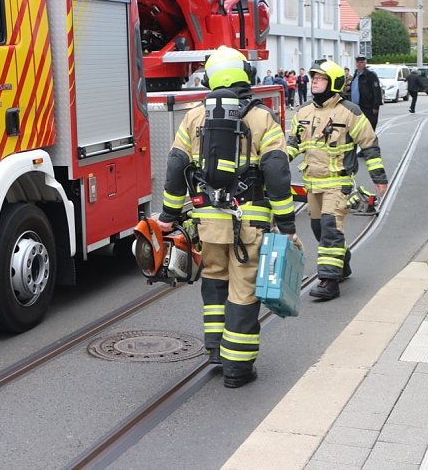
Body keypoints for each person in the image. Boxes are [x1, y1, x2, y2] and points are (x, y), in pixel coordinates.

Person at [158, 46, 296, 388]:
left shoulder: (194, 117)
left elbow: (176, 165)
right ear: (245, 75)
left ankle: (215, 350)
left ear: (209, 78)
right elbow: (277, 170)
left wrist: (168, 215)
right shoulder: (262, 118)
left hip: (207, 221)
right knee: (244, 289)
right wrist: (288, 223)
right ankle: (237, 368)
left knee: (215, 280)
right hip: (248, 223)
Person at [287, 59, 388, 301]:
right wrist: (276, 163)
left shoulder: (350, 111)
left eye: (321, 78)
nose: (315, 82)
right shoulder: (303, 112)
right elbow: (293, 143)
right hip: (312, 183)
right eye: (314, 78)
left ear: (333, 82)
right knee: (318, 229)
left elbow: (369, 144)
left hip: (337, 183)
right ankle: (341, 262)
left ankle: (328, 281)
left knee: (331, 229)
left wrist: (379, 177)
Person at [349, 56, 383, 130]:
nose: (359, 64)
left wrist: (375, 106)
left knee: (369, 127)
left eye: (361, 62)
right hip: (356, 106)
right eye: (358, 62)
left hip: (368, 106)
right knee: (358, 128)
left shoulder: (371, 75)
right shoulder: (355, 74)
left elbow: (376, 91)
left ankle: (371, 141)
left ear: (365, 63)